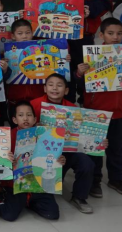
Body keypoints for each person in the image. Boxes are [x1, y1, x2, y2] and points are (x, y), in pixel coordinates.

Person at [75, 18, 122, 197]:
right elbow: (79, 83)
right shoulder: (92, 57)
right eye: (110, 33)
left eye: (119, 33)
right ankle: (94, 181)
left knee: (116, 149)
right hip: (96, 112)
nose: (115, 37)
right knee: (95, 150)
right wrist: (79, 73)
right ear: (101, 35)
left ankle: (116, 179)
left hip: (120, 112)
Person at [30, 73, 97, 213]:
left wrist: (99, 142)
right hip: (41, 153)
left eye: (59, 85)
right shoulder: (34, 105)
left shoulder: (73, 109)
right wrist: (36, 128)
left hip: (66, 152)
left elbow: (81, 136)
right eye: (51, 85)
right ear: (45, 88)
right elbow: (23, 132)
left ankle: (79, 197)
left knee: (86, 162)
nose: (55, 88)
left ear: (66, 90)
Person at [0, 100, 61, 221]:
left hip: (38, 184)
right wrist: (7, 161)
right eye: (21, 115)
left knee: (53, 214)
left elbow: (52, 158)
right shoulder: (7, 137)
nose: (25, 118)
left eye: (29, 115)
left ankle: (29, 201)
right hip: (15, 185)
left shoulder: (45, 135)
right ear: (15, 120)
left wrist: (59, 160)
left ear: (35, 119)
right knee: (10, 215)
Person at [5, 19, 48, 124]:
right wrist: (3, 67)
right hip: (15, 99)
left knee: (38, 127)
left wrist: (65, 58)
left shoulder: (42, 50)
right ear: (13, 36)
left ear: (32, 33)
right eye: (20, 33)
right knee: (17, 128)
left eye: (28, 33)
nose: (24, 36)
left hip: (38, 98)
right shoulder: (7, 54)